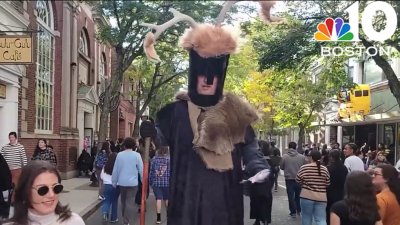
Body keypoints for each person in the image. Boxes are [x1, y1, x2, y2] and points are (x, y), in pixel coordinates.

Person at [139, 3, 278, 225]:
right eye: (202, 75)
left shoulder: (235, 114)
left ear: (220, 76)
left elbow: (251, 149)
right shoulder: (174, 113)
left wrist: (259, 169)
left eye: (213, 76)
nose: (207, 81)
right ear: (194, 73)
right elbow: (159, 140)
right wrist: (149, 132)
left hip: (224, 208)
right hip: (185, 207)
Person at [1, 160, 85, 225]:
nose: (51, 195)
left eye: (56, 188)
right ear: (26, 191)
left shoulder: (73, 221)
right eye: (43, 190)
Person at [112, 137, 143, 225]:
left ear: (124, 145)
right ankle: (126, 221)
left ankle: (125, 218)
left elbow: (115, 170)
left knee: (123, 201)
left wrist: (114, 181)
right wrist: (143, 180)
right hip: (133, 183)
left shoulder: (119, 155)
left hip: (122, 182)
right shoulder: (137, 155)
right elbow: (141, 170)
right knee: (130, 201)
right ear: (133, 146)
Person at [296, 150, 330, 225]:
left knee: (306, 218)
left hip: (306, 196)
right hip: (321, 197)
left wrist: (304, 184)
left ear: (310, 157)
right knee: (321, 219)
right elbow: (327, 183)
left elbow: (298, 180)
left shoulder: (304, 168)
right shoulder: (325, 169)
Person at [280, 141, 307, 218]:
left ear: (289, 147)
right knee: (298, 195)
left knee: (290, 196)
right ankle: (299, 210)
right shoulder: (302, 157)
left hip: (289, 179)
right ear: (296, 147)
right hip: (299, 179)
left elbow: (281, 167)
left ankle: (293, 212)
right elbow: (305, 167)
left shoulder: (284, 157)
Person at [326, 150, 348, 225]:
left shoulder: (329, 168)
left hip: (330, 193)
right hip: (342, 192)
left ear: (331, 157)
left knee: (330, 212)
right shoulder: (344, 167)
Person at [149, 146, 170, 224]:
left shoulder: (154, 159)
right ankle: (168, 216)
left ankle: (158, 218)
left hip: (157, 182)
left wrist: (151, 182)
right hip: (167, 183)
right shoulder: (169, 160)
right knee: (167, 199)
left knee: (158, 199)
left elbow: (151, 172)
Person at [101, 152, 119, 223]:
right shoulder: (118, 167)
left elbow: (101, 177)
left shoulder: (105, 166)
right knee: (114, 202)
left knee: (106, 200)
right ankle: (113, 218)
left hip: (107, 186)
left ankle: (105, 212)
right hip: (116, 186)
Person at [0, 153, 12, 219]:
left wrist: (7, 184)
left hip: (2, 182)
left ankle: (4, 214)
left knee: (3, 199)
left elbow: (4, 171)